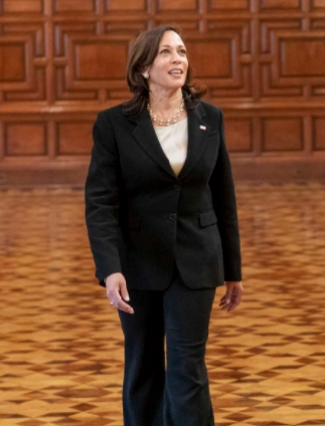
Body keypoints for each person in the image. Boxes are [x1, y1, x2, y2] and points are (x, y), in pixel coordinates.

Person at [85, 25, 243, 426]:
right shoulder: (113, 125)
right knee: (143, 363)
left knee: (188, 366)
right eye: (167, 53)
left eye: (182, 52)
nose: (178, 60)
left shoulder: (210, 119)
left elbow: (224, 196)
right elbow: (101, 203)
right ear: (143, 68)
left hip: (197, 258)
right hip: (138, 262)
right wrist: (110, 268)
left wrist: (233, 271)